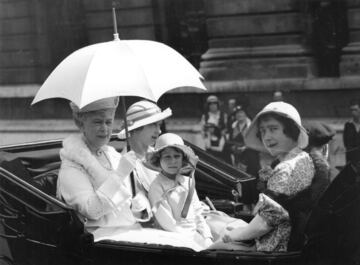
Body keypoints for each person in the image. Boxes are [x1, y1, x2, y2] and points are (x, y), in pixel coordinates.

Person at [209, 101, 315, 252]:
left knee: (215, 244)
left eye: (273, 129)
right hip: (287, 237)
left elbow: (263, 225)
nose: (267, 137)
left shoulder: (286, 169)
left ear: (291, 130)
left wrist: (234, 236)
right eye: (263, 131)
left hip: (274, 245)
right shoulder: (302, 157)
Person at [57, 97, 151, 234]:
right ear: (81, 124)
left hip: (132, 230)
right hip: (101, 240)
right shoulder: (71, 167)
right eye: (97, 122)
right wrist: (119, 175)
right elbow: (93, 210)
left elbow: (137, 195)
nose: (104, 129)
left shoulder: (112, 154)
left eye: (108, 122)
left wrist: (140, 204)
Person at [146, 133, 213, 247]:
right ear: (159, 160)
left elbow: (198, 214)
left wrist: (207, 237)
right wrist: (194, 242)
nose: (173, 161)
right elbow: (168, 224)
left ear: (183, 159)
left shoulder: (188, 182)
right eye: (167, 157)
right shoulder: (156, 187)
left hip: (196, 236)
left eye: (177, 156)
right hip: (175, 241)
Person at [117, 100, 173, 195]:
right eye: (153, 124)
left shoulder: (164, 157)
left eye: (159, 125)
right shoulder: (120, 164)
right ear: (136, 129)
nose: (159, 131)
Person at [343, 99, 360, 167]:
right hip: (351, 159)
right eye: (351, 110)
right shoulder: (348, 125)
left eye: (355, 110)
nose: (353, 112)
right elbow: (346, 143)